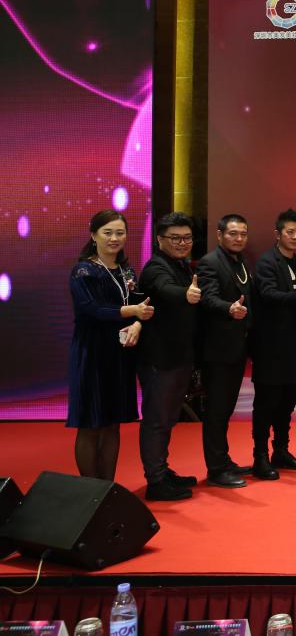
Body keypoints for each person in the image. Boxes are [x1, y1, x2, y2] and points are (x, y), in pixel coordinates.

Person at [67, 209, 151, 481]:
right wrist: (131, 312)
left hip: (120, 354)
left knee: (113, 424)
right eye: (107, 232)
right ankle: (89, 491)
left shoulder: (127, 269)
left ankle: (106, 488)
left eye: (120, 233)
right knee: (91, 424)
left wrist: (138, 324)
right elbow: (91, 309)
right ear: (93, 235)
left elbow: (142, 305)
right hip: (92, 353)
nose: (114, 238)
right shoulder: (83, 270)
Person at [136, 212, 200, 500]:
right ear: (160, 239)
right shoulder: (155, 267)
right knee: (157, 419)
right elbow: (165, 288)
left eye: (187, 238)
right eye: (175, 238)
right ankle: (156, 480)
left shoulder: (182, 265)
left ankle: (162, 470)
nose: (182, 243)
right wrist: (185, 294)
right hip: (159, 358)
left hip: (178, 356)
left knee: (169, 417)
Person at [250, 208, 296, 480]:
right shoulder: (267, 262)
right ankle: (260, 457)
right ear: (278, 234)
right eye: (290, 232)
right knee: (266, 404)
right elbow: (267, 294)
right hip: (270, 346)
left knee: (287, 403)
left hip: (293, 346)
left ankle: (281, 450)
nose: (295, 237)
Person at [196, 213, 253, 488]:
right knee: (217, 410)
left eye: (243, 233)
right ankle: (216, 469)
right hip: (217, 350)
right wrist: (229, 308)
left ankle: (223, 460)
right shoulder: (210, 262)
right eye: (233, 233)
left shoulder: (240, 262)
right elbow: (208, 298)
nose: (238, 238)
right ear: (219, 235)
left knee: (226, 408)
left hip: (236, 348)